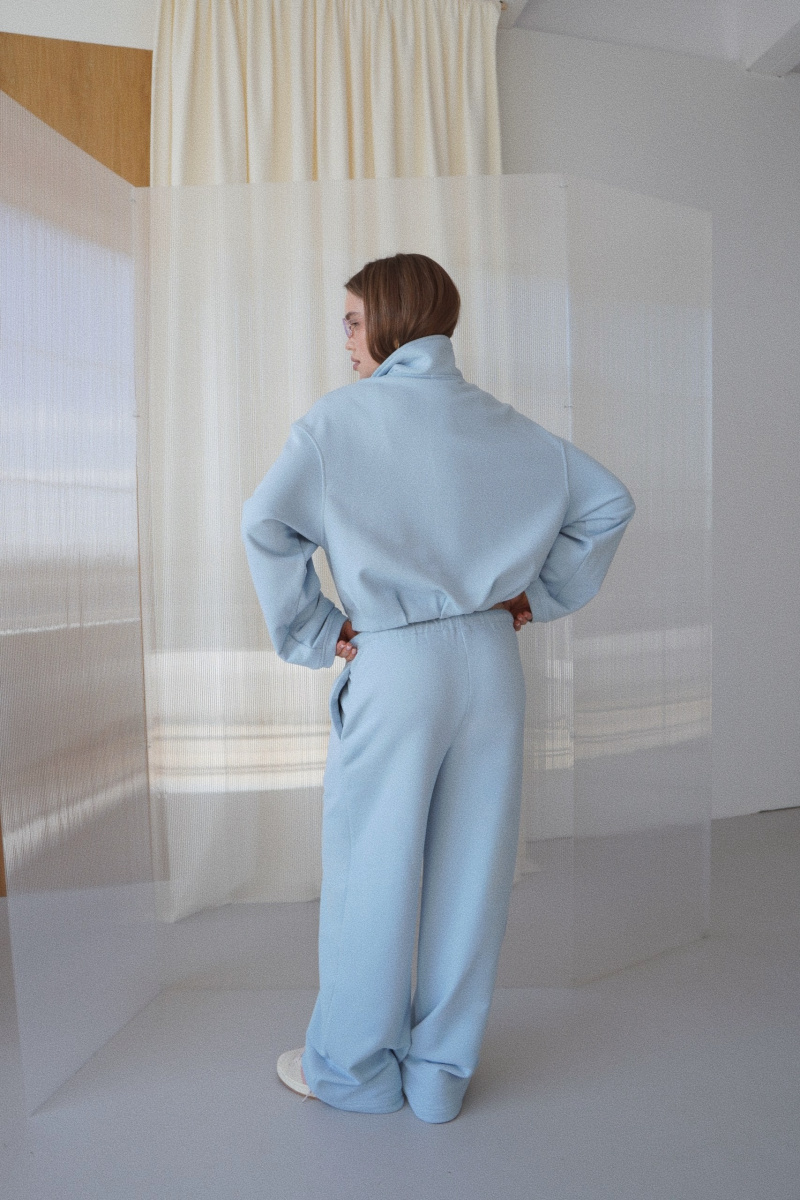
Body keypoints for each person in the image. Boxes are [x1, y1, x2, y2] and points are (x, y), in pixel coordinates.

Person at [241, 253, 635, 1123]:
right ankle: (439, 1077)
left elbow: (264, 523)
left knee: (373, 868)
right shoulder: (508, 427)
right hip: (491, 664)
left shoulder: (335, 424)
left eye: (353, 321)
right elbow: (609, 503)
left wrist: (316, 629)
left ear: (392, 319)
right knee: (474, 871)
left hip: (397, 663)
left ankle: (354, 1071)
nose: (346, 341)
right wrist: (536, 596)